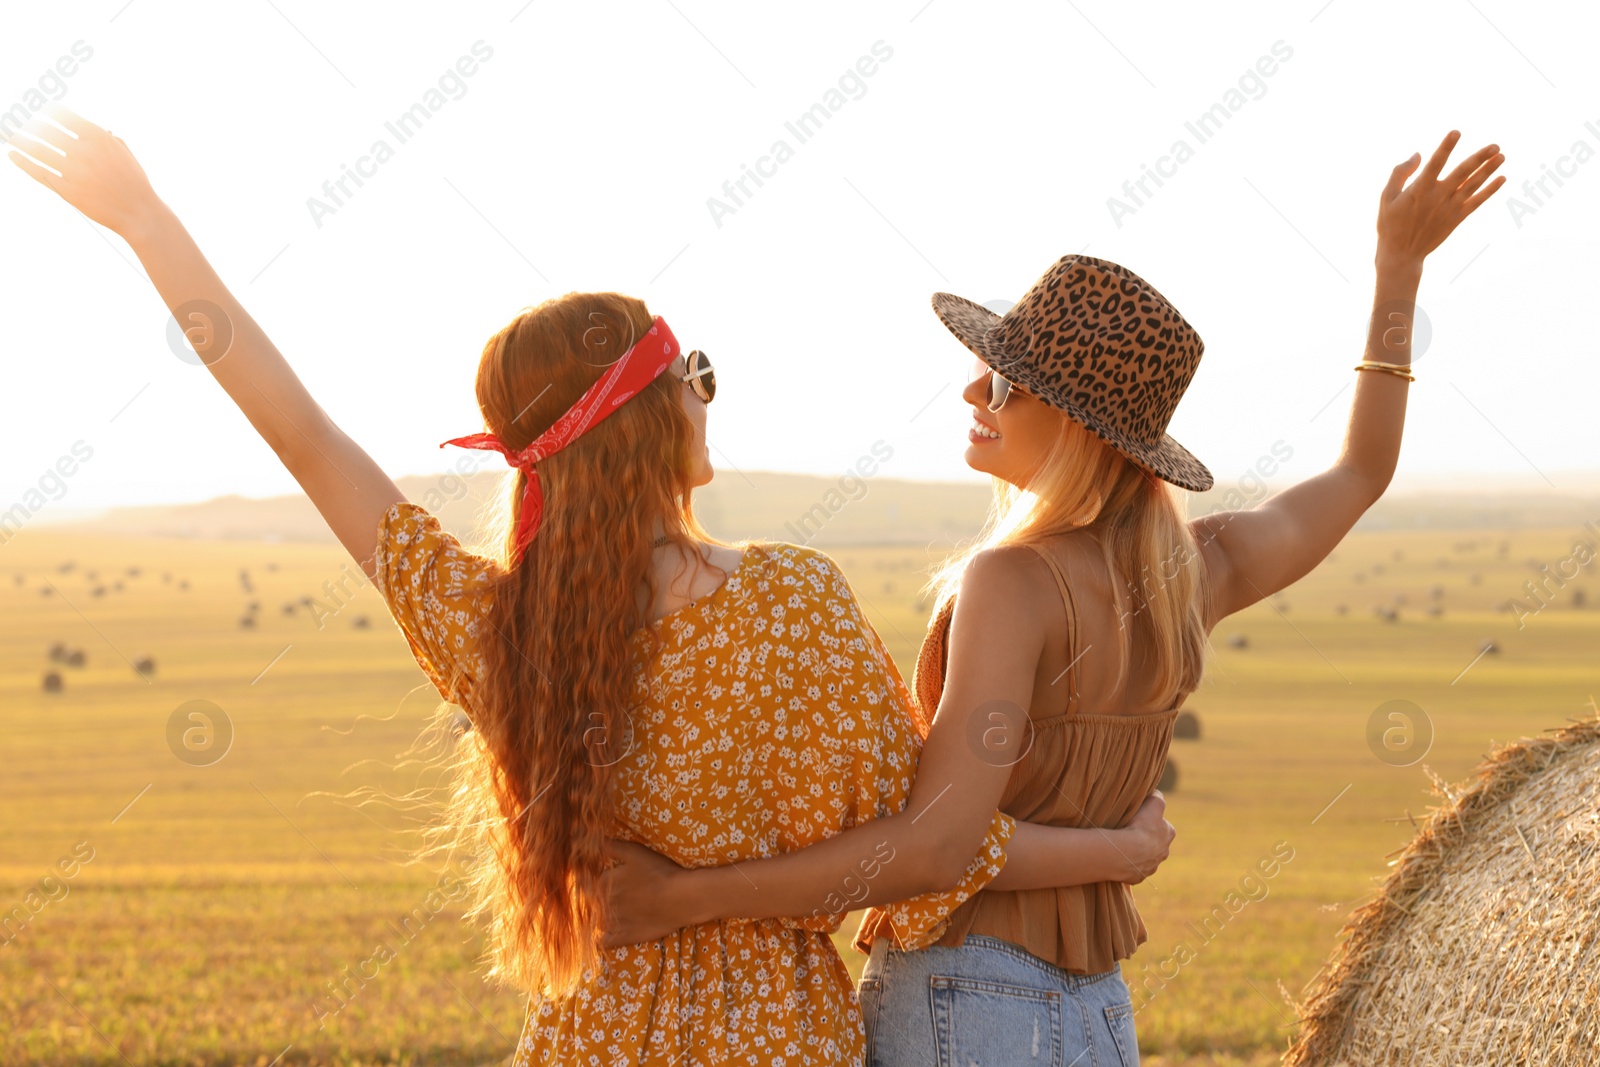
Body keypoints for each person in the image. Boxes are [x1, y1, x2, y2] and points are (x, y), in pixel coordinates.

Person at [8, 104, 1180, 1065]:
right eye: (697, 374)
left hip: (588, 1036)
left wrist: (148, 226)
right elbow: (932, 845)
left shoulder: (505, 631)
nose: (710, 394)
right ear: (653, 415)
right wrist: (1112, 851)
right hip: (780, 1038)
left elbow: (304, 437)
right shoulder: (794, 604)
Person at [601, 129, 1506, 1065]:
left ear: (1075, 422)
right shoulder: (1199, 571)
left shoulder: (1011, 583)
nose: (971, 388)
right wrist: (1396, 274)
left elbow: (934, 849)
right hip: (1099, 1010)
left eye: (1003, 378)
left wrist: (680, 895)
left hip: (966, 992)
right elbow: (1362, 470)